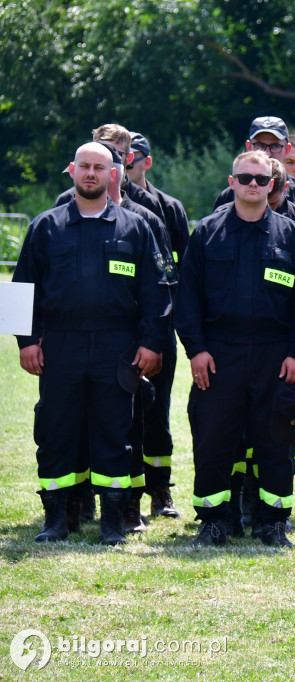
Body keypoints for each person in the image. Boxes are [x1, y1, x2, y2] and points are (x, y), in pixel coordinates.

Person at [14, 142, 170, 545]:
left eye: (99, 167)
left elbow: (156, 292)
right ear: (71, 170)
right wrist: (27, 342)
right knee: (55, 430)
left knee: (114, 432)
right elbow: (22, 290)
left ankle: (112, 524)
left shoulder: (135, 228)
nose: (90, 173)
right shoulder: (46, 227)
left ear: (112, 174)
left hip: (115, 345)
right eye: (83, 166)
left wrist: (152, 342)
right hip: (59, 345)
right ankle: (55, 521)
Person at [175, 150, 295, 548]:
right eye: (245, 178)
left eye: (260, 179)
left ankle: (272, 523)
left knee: (275, 443)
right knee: (214, 440)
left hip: (275, 357)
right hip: (219, 356)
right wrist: (196, 350)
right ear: (231, 182)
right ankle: (214, 522)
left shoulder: (292, 236)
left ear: (272, 184)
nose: (253, 185)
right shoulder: (207, 232)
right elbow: (188, 299)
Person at [216, 117, 295, 521]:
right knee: (245, 420)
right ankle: (244, 500)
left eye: (276, 147)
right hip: (244, 341)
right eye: (261, 144)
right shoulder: (228, 199)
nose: (269, 154)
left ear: (287, 151)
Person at [126, 131, 190, 519]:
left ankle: (160, 490)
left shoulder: (167, 208)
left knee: (156, 413)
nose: (123, 164)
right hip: (115, 329)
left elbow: (182, 271)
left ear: (145, 162)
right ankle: (96, 496)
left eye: (129, 158)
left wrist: (173, 328)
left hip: (158, 328)